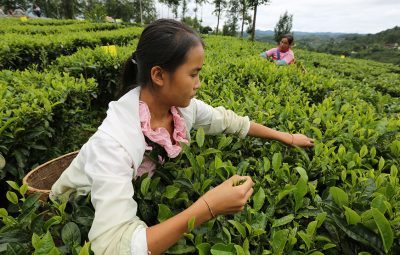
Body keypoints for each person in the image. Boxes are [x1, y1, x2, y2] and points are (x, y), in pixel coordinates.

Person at [50, 19, 314, 255]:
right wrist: (208, 207)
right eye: (193, 73)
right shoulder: (114, 141)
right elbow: (114, 246)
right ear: (159, 75)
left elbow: (231, 122)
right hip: (74, 212)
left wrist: (288, 138)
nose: (198, 83)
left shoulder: (180, 109)